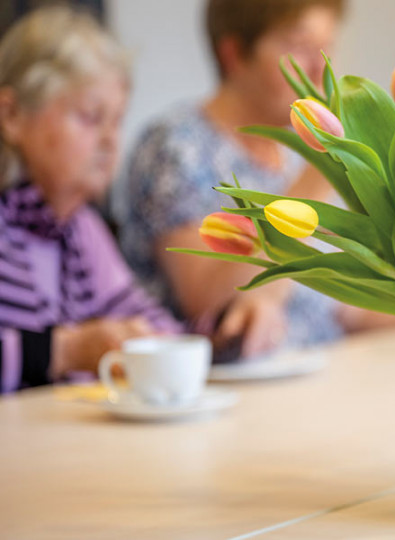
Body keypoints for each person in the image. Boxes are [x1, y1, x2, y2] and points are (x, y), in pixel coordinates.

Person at [118, 0, 370, 360]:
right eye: (299, 47)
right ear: (234, 54)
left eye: (327, 48)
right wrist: (317, 177)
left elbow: (336, 308)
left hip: (324, 371)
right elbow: (203, 299)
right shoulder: (176, 146)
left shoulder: (291, 156)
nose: (321, 71)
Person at [0, 6, 181, 393]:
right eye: (90, 116)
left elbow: (152, 325)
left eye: (116, 120)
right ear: (12, 115)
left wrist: (215, 333)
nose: (110, 140)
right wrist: (64, 351)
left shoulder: (81, 227)